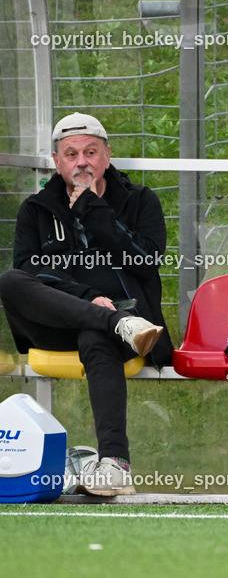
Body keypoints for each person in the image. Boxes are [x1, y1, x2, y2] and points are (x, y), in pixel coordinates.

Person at [0, 112, 169, 496]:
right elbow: (31, 271)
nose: (81, 162)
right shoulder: (36, 209)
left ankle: (114, 464)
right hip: (60, 323)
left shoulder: (140, 201)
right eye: (71, 154)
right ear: (56, 161)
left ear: (107, 156)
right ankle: (113, 321)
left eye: (90, 152)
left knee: (96, 335)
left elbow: (145, 262)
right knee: (10, 281)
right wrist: (90, 298)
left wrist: (94, 210)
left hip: (128, 325)